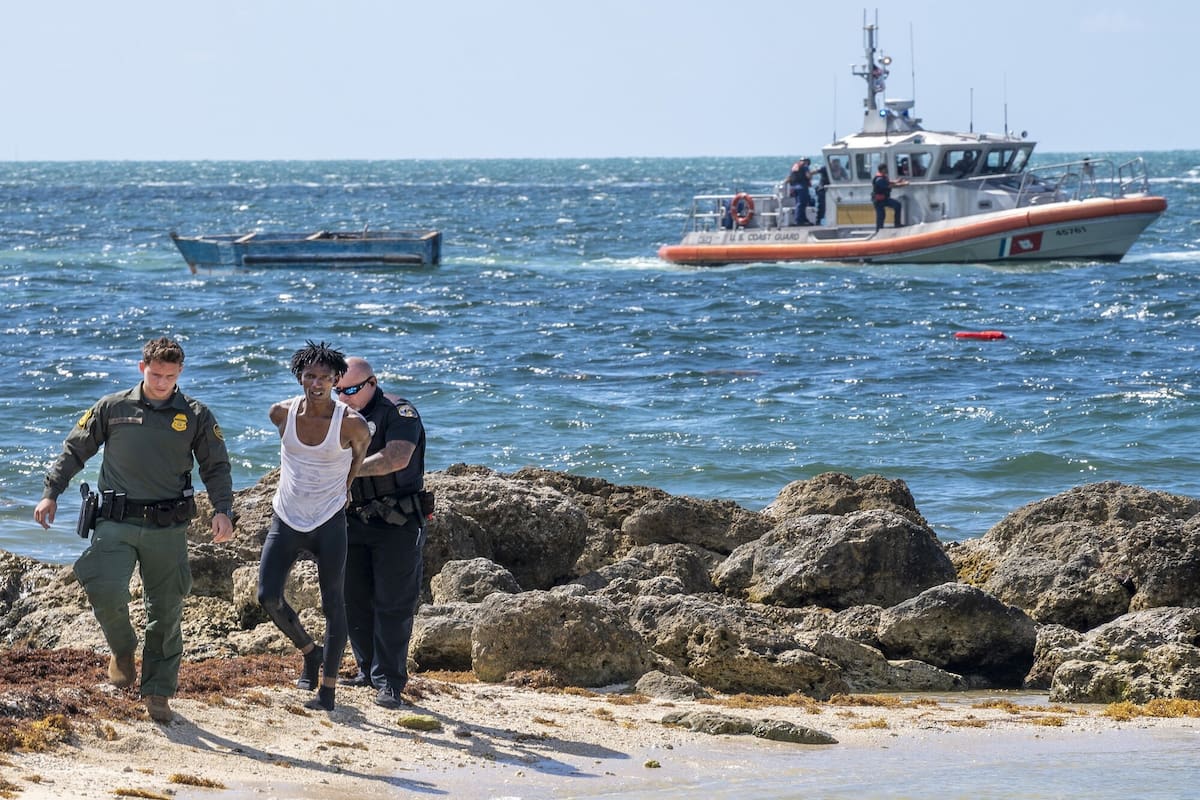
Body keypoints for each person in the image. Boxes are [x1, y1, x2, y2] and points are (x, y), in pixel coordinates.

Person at [33, 336, 235, 724]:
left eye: (170, 376)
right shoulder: (113, 407)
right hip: (116, 520)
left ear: (180, 373)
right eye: (156, 374)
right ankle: (123, 650)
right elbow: (75, 449)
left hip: (167, 527)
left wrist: (223, 510)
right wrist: (50, 494)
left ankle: (158, 691)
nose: (162, 383)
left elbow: (216, 467)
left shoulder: (195, 414)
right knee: (103, 587)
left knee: (166, 611)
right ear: (142, 368)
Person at [259, 341, 370, 713]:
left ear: (337, 381)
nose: (317, 383)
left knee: (333, 604)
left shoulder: (352, 424)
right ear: (300, 378)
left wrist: (344, 489)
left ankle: (328, 690)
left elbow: (356, 462)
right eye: (310, 376)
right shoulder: (280, 414)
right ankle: (309, 651)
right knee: (267, 596)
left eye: (325, 377)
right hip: (287, 517)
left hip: (329, 521)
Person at [333, 358, 428, 709]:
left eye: (351, 390)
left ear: (372, 383)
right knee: (353, 599)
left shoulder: (398, 412)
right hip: (351, 520)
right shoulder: (336, 416)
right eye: (338, 390)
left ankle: (389, 680)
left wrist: (348, 469)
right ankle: (367, 670)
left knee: (393, 604)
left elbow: (396, 458)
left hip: (397, 522)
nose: (344, 397)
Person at [872, 163, 908, 231]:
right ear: (882, 170)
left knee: (897, 205)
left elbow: (889, 182)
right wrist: (903, 184)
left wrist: (897, 181)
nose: (887, 170)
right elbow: (890, 186)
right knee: (881, 216)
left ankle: (897, 224)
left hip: (884, 199)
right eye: (885, 168)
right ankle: (879, 231)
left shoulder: (883, 177)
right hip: (879, 201)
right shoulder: (879, 179)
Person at [785, 158, 814, 225]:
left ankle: (803, 219)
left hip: (794, 188)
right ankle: (799, 220)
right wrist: (810, 176)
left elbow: (789, 178)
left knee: (798, 204)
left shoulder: (794, 167)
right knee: (802, 204)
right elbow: (808, 176)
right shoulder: (805, 167)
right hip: (802, 188)